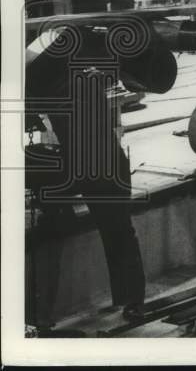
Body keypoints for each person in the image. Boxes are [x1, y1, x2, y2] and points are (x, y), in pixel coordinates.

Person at [25, 22, 177, 324]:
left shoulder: (85, 54)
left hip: (98, 160)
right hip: (80, 160)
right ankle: (40, 315)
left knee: (117, 229)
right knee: (105, 229)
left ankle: (130, 300)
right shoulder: (70, 54)